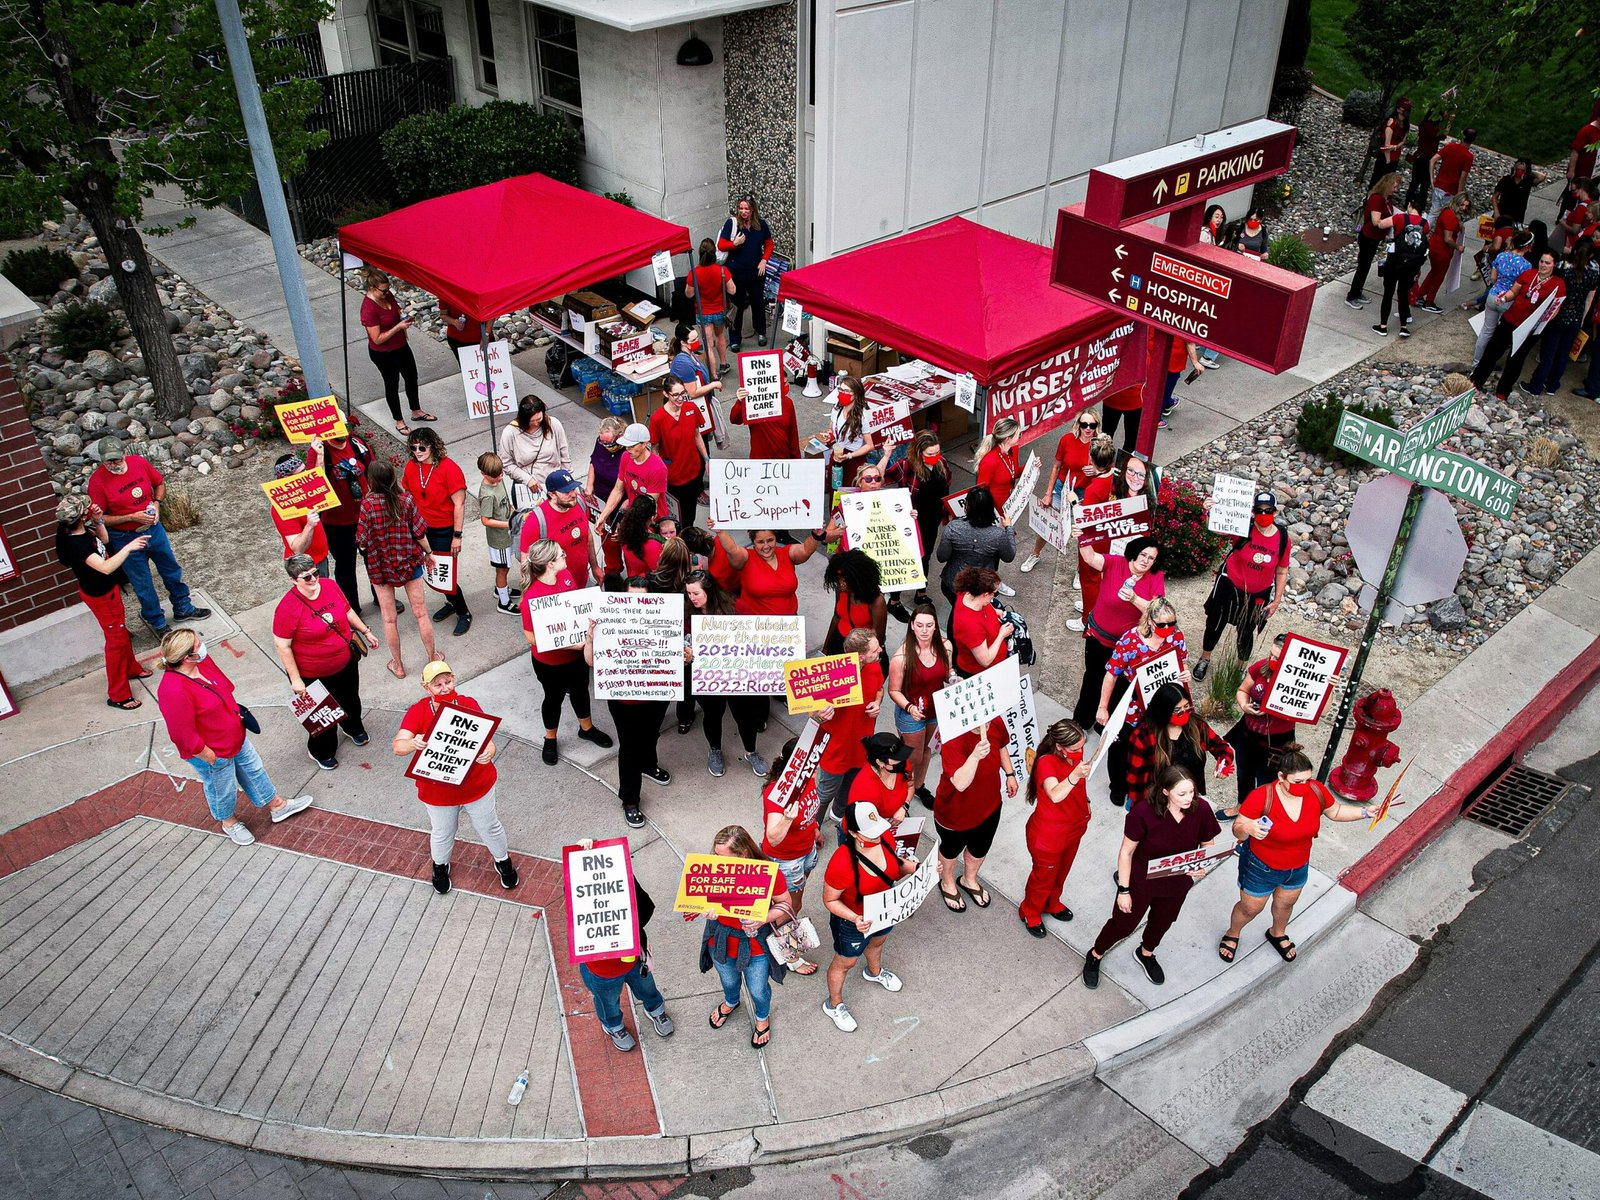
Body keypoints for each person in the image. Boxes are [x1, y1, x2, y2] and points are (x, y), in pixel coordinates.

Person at [1220, 745, 1376, 965]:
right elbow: (1239, 827)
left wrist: (1364, 812)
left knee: (1285, 904)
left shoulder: (1316, 790)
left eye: (1308, 780)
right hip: (1261, 867)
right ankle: (1233, 933)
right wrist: (1249, 828)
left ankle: (1277, 932)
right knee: (1250, 908)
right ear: (1281, 777)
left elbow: (1336, 811)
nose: (1304, 786)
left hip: (1297, 867)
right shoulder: (1262, 796)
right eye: (1298, 782)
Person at [156, 628, 313, 844]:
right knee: (223, 788)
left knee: (254, 770)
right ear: (187, 658)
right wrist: (210, 756)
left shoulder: (202, 664)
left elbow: (225, 687)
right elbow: (181, 734)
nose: (203, 646)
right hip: (213, 751)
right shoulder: (173, 690)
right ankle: (228, 822)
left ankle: (277, 805)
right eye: (197, 645)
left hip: (235, 736)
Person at [1083, 765, 1222, 988]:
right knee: (1123, 924)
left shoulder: (1201, 809)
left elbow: (1207, 844)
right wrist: (1124, 890)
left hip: (1177, 883)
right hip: (1142, 882)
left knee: (1162, 922)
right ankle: (1096, 954)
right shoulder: (1143, 812)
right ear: (1166, 791)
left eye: (1192, 792)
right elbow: (1126, 852)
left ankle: (1146, 953)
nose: (1189, 798)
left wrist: (1200, 864)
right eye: (1182, 794)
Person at [393, 660, 518, 895]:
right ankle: (440, 867)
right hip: (438, 791)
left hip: (476, 785)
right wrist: (412, 743)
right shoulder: (418, 711)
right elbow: (398, 746)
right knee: (442, 831)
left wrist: (488, 753)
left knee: (489, 826)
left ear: (454, 680)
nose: (444, 687)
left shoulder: (468, 704)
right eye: (437, 684)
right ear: (425, 687)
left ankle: (503, 861)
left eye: (448, 681)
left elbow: (488, 741)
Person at [87, 439, 211, 633]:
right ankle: (157, 621)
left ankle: (183, 607)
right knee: (142, 582)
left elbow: (159, 483)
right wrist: (131, 517)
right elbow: (100, 519)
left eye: (116, 459)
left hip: (154, 530)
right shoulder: (98, 482)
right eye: (108, 461)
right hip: (125, 537)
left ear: (124, 453)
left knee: (171, 569)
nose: (113, 464)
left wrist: (156, 503)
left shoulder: (139, 463)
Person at [272, 553, 377, 770]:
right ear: (293, 580)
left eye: (315, 573)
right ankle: (321, 749)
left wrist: (365, 631)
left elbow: (347, 611)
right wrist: (296, 680)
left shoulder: (330, 586)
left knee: (350, 699)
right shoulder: (287, 608)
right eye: (306, 577)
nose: (313, 580)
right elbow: (283, 646)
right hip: (312, 672)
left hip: (344, 660)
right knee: (322, 718)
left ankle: (352, 726)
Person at [584, 577, 671, 829]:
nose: (636, 605)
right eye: (631, 598)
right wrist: (590, 639)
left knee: (652, 735)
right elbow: (590, 661)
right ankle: (630, 800)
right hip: (624, 700)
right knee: (630, 747)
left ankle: (649, 765)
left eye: (642, 599)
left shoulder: (662, 619)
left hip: (656, 695)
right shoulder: (606, 623)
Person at [573, 841, 675, 1052]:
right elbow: (574, 889)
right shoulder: (581, 898)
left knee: (647, 988)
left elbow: (646, 907)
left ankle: (655, 1009)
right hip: (602, 970)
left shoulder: (625, 887)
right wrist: (583, 856)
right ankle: (613, 1025)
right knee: (607, 1001)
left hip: (634, 959)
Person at [54, 494, 150, 710]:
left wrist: (98, 521)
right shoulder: (76, 545)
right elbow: (106, 567)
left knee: (121, 631)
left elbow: (104, 542)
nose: (92, 507)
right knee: (115, 642)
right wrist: (129, 547)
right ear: (80, 517)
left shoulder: (82, 531)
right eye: (88, 508)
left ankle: (131, 668)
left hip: (109, 590)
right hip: (101, 597)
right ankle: (118, 694)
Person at [521, 538, 612, 764]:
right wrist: (570, 644)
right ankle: (550, 738)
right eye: (561, 555)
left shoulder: (566, 575)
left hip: (576, 655)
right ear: (550, 564)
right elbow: (531, 638)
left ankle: (586, 728)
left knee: (581, 690)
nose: (565, 556)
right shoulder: (531, 598)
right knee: (553, 698)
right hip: (550, 663)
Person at [820, 801, 908, 1033]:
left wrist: (918, 868)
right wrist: (854, 918)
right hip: (853, 922)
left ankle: (874, 972)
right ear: (853, 833)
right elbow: (829, 900)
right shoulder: (842, 862)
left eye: (878, 828)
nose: (878, 836)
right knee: (845, 961)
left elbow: (895, 867)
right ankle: (834, 1004)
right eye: (870, 833)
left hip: (883, 911)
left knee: (878, 942)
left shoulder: (884, 836)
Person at [699, 825, 788, 1049]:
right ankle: (731, 1001)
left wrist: (764, 918)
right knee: (728, 980)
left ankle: (762, 1017)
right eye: (716, 855)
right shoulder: (712, 870)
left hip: (755, 943)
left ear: (743, 854)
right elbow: (698, 900)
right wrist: (705, 908)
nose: (717, 861)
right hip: (720, 939)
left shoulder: (769, 872)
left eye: (723, 857)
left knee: (758, 988)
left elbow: (785, 904)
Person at [1097, 596, 1187, 806]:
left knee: (1150, 746)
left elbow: (1180, 662)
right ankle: (1118, 787)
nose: (1168, 628)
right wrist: (1103, 707)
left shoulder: (1176, 637)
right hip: (1129, 699)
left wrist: (1185, 675)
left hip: (1159, 702)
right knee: (1120, 747)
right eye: (1162, 624)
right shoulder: (1131, 641)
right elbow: (1111, 674)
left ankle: (1141, 783)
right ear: (1150, 622)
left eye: (1171, 624)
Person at [354, 459, 439, 679]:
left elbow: (361, 542)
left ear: (371, 480)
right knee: (421, 613)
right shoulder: (406, 500)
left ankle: (399, 666)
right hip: (409, 561)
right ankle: (432, 658)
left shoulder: (368, 505)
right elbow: (419, 533)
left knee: (389, 619)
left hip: (379, 567)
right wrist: (429, 553)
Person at [1193, 490, 1289, 681]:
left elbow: (1281, 570)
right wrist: (1209, 512)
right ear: (1252, 512)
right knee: (1215, 623)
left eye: (1268, 510)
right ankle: (1205, 658)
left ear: (1276, 512)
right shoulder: (1243, 526)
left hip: (1258, 594)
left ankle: (1239, 667)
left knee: (1246, 631)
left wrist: (1277, 600)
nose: (1263, 515)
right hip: (1229, 585)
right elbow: (1216, 528)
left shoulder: (1283, 538)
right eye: (1258, 510)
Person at [681, 570, 768, 777]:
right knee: (712, 714)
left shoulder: (735, 609)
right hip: (705, 677)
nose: (691, 598)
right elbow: (682, 641)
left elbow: (755, 635)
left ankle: (751, 752)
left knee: (744, 715)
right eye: (688, 594)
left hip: (734, 674)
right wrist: (686, 655)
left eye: (695, 593)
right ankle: (715, 750)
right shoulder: (687, 614)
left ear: (709, 591)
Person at [1073, 535, 1165, 729]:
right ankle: (1081, 722)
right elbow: (1090, 558)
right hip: (1098, 638)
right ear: (1134, 552)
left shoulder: (1156, 577)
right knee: (1092, 679)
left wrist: (1133, 598)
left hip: (1126, 648)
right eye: (1143, 554)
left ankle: (1104, 725)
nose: (1145, 560)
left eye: (1151, 558)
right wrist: (1082, 536)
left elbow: (1157, 613)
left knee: (1118, 687)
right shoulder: (1116, 563)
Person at [933, 710, 1014, 912]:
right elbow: (960, 783)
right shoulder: (953, 737)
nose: (985, 726)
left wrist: (1010, 773)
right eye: (979, 723)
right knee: (951, 850)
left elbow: (1002, 746)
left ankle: (969, 879)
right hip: (956, 813)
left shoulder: (994, 721)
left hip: (990, 805)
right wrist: (975, 756)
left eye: (987, 720)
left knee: (980, 847)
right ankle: (947, 882)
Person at [1019, 720, 1092, 936]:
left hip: (1073, 829)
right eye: (1075, 749)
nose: (1080, 752)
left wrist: (1086, 803)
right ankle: (1030, 912)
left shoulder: (1071, 755)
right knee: (1043, 879)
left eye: (1082, 746)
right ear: (1060, 746)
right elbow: (1055, 794)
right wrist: (1074, 776)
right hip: (1049, 837)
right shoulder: (1046, 763)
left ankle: (1052, 902)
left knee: (1061, 872)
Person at [1125, 682, 1235, 820]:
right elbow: (1136, 781)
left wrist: (1224, 763)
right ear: (1162, 710)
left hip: (1189, 796)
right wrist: (1142, 812)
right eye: (1177, 710)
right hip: (1159, 802)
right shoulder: (1143, 736)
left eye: (1186, 707)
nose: (1184, 713)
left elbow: (1222, 747)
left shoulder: (1196, 725)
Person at [403, 428, 472, 636]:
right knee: (432, 572)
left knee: (444, 574)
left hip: (444, 530)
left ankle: (463, 611)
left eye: (422, 447)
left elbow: (459, 505)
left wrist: (457, 537)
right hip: (423, 530)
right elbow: (408, 495)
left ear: (432, 445)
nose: (418, 451)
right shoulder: (411, 467)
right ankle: (450, 602)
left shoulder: (449, 468)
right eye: (413, 447)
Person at [1472, 249, 1566, 399]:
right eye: (1542, 261)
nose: (1543, 265)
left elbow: (1554, 309)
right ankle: (1476, 381)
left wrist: (1541, 322)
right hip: (1510, 319)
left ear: (1554, 265)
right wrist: (1503, 298)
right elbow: (1513, 292)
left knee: (1515, 359)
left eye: (1547, 263)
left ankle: (1503, 391)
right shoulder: (1529, 274)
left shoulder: (1558, 284)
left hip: (1528, 329)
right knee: (1493, 351)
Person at [812, 627, 885, 822]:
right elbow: (813, 714)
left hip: (861, 746)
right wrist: (821, 714)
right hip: (836, 751)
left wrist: (877, 702)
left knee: (850, 787)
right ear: (861, 656)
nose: (880, 651)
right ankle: (813, 827)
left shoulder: (874, 667)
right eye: (875, 649)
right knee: (824, 794)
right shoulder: (832, 675)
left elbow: (879, 689)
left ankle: (838, 815)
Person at [761, 736, 825, 951]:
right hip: (787, 860)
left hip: (806, 850)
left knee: (794, 897)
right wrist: (788, 818)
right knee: (790, 906)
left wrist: (814, 829)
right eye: (813, 762)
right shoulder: (775, 793)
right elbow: (772, 837)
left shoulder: (808, 777)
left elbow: (810, 808)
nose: (817, 766)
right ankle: (790, 952)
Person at [885, 604, 952, 807]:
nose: (924, 630)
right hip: (911, 715)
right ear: (912, 626)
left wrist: (955, 678)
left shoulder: (945, 646)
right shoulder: (901, 658)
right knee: (911, 758)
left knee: (925, 752)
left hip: (934, 710)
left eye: (929, 625)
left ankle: (918, 786)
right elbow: (893, 690)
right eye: (920, 625)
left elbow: (947, 674)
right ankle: (902, 793)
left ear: (935, 627)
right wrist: (909, 708)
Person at [1226, 632, 1297, 815]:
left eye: (1277, 658)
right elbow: (1243, 689)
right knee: (1244, 773)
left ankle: (1259, 815)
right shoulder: (1261, 667)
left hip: (1276, 741)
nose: (1272, 659)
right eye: (1271, 654)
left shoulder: (1297, 683)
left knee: (1267, 780)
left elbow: (1321, 710)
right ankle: (1241, 806)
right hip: (1249, 732)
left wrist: (1328, 688)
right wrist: (1244, 705)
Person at [1022, 409, 1099, 575]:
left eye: (1092, 425)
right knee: (1046, 523)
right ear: (1078, 424)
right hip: (1062, 488)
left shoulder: (1100, 444)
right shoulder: (1067, 440)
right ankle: (1035, 554)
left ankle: (1081, 570)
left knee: (1084, 533)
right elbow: (1056, 466)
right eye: (1084, 424)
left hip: (1085, 492)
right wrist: (1049, 492)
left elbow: (1109, 470)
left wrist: (1096, 471)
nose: (1088, 428)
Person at [883, 431, 950, 618]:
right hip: (910, 521)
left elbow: (946, 488)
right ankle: (894, 600)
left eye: (937, 452)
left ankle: (921, 593)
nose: (934, 457)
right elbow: (881, 478)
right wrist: (886, 455)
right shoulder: (906, 466)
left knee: (925, 556)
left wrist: (948, 512)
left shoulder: (941, 463)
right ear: (919, 452)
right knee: (905, 557)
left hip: (932, 519)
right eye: (930, 454)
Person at [305, 430, 373, 611]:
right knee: (345, 567)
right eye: (337, 428)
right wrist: (318, 455)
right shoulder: (320, 450)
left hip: (365, 519)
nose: (343, 432)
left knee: (373, 561)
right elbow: (315, 487)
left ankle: (382, 598)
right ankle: (352, 609)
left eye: (344, 427)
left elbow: (372, 469)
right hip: (337, 525)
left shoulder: (357, 443)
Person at [359, 268, 434, 434]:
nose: (387, 293)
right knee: (392, 384)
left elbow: (396, 311)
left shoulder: (387, 296)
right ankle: (399, 420)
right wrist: (398, 327)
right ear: (372, 288)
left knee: (411, 377)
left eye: (388, 289)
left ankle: (416, 410)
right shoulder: (368, 309)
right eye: (383, 291)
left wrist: (403, 320)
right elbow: (377, 338)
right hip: (383, 353)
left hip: (400, 346)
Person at [1528, 238, 1599, 395]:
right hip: (1576, 316)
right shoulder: (1595, 270)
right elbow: (1590, 298)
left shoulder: (1563, 266)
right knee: (1563, 353)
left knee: (1548, 352)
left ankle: (1536, 385)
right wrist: (1582, 319)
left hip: (1558, 313)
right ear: (1592, 253)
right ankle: (1552, 385)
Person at [715, 524, 833, 617]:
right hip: (755, 624)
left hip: (788, 622)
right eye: (760, 542)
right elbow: (732, 549)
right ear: (753, 543)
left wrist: (816, 536)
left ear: (776, 538)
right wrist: (720, 531)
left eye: (770, 540)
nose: (766, 546)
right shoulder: (746, 557)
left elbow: (806, 550)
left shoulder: (787, 553)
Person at [935, 485, 1015, 614]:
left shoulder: (953, 527)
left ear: (967, 508)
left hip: (953, 584)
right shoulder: (998, 534)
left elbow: (942, 557)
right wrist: (1009, 529)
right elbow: (1009, 557)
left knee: (956, 613)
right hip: (982, 587)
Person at [649, 377, 711, 528]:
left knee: (690, 512)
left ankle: (687, 539)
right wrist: (658, 473)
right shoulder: (658, 418)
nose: (680, 398)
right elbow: (655, 448)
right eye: (675, 394)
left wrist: (707, 459)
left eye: (682, 393)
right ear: (666, 394)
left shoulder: (692, 409)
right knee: (677, 515)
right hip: (673, 476)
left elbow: (697, 435)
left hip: (694, 470)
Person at [520, 468, 597, 589]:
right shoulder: (535, 522)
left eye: (573, 488)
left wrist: (595, 567)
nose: (574, 494)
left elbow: (587, 536)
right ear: (552, 494)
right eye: (567, 492)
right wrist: (529, 594)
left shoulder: (580, 503)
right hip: (556, 590)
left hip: (583, 581)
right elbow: (525, 561)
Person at [719, 196, 775, 351]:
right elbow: (721, 245)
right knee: (737, 306)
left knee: (758, 302)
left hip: (756, 272)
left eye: (747, 209)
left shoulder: (761, 225)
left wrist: (764, 260)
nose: (743, 212)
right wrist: (734, 244)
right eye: (741, 208)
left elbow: (769, 244)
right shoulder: (732, 224)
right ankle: (735, 338)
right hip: (737, 273)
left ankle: (761, 331)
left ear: (752, 210)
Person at [1471, 229, 1535, 363]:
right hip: (1508, 301)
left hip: (1493, 295)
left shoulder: (1502, 256)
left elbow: (1493, 277)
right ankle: (1489, 362)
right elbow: (1520, 288)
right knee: (1500, 335)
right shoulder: (1526, 266)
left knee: (1486, 331)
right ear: (1528, 247)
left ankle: (1476, 361)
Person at [844, 732, 913, 848]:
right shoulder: (865, 789)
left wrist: (904, 807)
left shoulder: (902, 765)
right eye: (896, 759)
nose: (902, 761)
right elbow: (863, 831)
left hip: (893, 824)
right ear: (880, 762)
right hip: (870, 833)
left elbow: (910, 786)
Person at [1373, 200, 1429, 337]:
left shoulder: (1400, 218)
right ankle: (1403, 327)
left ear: (1410, 205)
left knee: (1388, 293)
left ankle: (1383, 326)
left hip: (1395, 261)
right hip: (1411, 265)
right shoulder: (1424, 224)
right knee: (1403, 294)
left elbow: (1379, 224)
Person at [596, 423, 668, 529]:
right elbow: (618, 490)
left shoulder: (657, 468)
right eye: (626, 445)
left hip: (653, 522)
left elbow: (647, 506)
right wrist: (603, 515)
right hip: (634, 516)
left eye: (632, 446)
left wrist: (627, 528)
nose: (628, 449)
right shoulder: (625, 457)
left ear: (644, 444)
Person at [1345, 173, 1399, 309]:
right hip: (1369, 237)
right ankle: (1352, 295)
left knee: (1366, 266)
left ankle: (1357, 292)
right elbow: (1376, 222)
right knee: (1362, 267)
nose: (1396, 189)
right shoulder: (1377, 199)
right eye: (1394, 186)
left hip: (1375, 238)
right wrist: (1394, 221)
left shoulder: (1387, 198)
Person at [269, 454, 329, 575]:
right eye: (301, 473)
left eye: (305, 470)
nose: (306, 476)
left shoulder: (303, 491)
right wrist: (310, 525)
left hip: (320, 558)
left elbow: (318, 479)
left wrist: (320, 455)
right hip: (307, 567)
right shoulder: (282, 508)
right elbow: (297, 549)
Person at [497, 396, 571, 493]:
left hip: (556, 486)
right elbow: (506, 463)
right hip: (527, 489)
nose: (536, 424)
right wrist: (527, 479)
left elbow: (564, 453)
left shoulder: (553, 424)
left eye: (539, 419)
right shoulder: (510, 432)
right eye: (532, 421)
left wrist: (567, 478)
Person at [822, 548, 887, 658]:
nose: (841, 584)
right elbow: (837, 617)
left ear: (858, 579)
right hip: (838, 642)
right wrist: (826, 648)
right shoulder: (841, 590)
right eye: (839, 579)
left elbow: (877, 638)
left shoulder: (876, 601)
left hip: (860, 650)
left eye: (845, 580)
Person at [949, 566, 1013, 678]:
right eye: (995, 593)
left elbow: (983, 604)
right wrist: (1001, 635)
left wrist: (994, 611)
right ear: (985, 594)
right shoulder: (971, 626)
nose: (994, 596)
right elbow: (985, 660)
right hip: (982, 673)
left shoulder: (968, 594)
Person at [474, 452, 517, 615]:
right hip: (499, 540)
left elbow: (506, 499)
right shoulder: (487, 495)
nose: (500, 478)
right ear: (484, 474)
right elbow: (485, 520)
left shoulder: (498, 481)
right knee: (503, 569)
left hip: (507, 533)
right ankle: (504, 602)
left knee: (503, 568)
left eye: (501, 474)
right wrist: (508, 523)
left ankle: (501, 589)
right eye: (495, 477)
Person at [815, 376, 875, 492]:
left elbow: (870, 445)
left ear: (856, 394)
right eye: (840, 390)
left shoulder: (863, 416)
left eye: (846, 391)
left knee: (849, 490)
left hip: (854, 458)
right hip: (837, 454)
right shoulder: (837, 409)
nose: (842, 393)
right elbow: (832, 427)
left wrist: (849, 456)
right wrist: (830, 435)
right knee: (835, 488)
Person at [1412, 191, 1469, 314]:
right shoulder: (1451, 217)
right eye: (1462, 205)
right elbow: (1448, 239)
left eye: (1465, 206)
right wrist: (1458, 247)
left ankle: (1420, 296)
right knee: (1438, 277)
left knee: (1433, 273)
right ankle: (1429, 302)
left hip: (1435, 247)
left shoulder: (1446, 212)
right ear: (1457, 203)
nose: (1464, 208)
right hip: (1442, 251)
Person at [686, 237, 735, 376]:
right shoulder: (722, 270)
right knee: (720, 336)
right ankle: (724, 364)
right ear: (714, 254)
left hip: (703, 313)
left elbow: (689, 294)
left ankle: (713, 375)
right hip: (720, 310)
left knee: (708, 345)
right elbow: (732, 290)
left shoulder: (694, 273)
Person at [730, 378, 801, 460]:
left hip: (783, 460)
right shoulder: (753, 404)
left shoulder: (788, 403)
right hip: (759, 461)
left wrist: (796, 461)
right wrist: (740, 401)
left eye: (786, 382)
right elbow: (734, 419)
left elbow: (793, 435)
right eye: (783, 382)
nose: (786, 385)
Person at [973, 417, 1023, 516]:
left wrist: (1031, 466)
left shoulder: (1013, 450)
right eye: (1018, 435)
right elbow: (981, 490)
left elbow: (1013, 472)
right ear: (1008, 439)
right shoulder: (989, 461)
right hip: (995, 508)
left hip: (1009, 503)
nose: (1020, 437)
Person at [1427, 128, 1476, 226]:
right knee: (1448, 215)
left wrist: (1432, 179)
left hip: (1439, 185)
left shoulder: (1450, 147)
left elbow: (1432, 160)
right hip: (1451, 190)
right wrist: (1460, 194)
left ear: (1463, 136)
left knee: (1433, 212)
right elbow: (1463, 177)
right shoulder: (1468, 156)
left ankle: (1422, 232)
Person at [1404, 109, 1446, 210]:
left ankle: (1408, 202)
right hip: (1426, 159)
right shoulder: (1431, 128)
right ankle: (1420, 205)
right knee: (1424, 184)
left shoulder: (1425, 125)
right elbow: (1442, 136)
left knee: (1415, 182)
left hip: (1420, 157)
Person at [1159, 337, 1204, 428]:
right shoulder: (1185, 323)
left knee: (1159, 386)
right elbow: (1189, 342)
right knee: (1166, 387)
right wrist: (1195, 362)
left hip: (1154, 354)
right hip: (1173, 359)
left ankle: (1168, 403)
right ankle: (1157, 418)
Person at [1493, 158, 1548, 228]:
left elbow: (1542, 177)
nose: (1519, 172)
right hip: (1502, 212)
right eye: (1518, 169)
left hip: (1517, 216)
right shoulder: (1506, 180)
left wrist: (1529, 171)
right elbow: (1495, 196)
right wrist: (1496, 211)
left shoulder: (1527, 181)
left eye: (1522, 170)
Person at [586, 416, 628, 508]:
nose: (606, 446)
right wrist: (589, 485)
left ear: (620, 435)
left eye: (609, 443)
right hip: (599, 493)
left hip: (618, 499)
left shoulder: (628, 451)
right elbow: (593, 461)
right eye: (603, 442)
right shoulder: (601, 441)